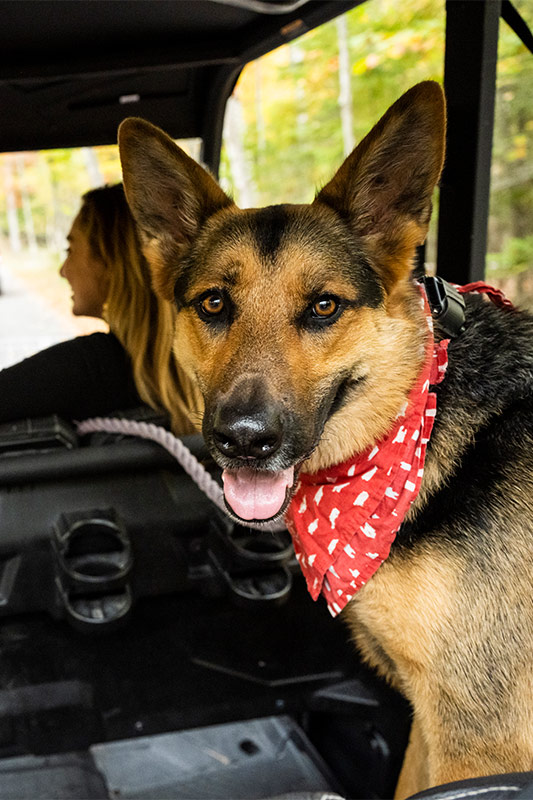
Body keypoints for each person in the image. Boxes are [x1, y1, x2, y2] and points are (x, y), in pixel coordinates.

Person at [0, 184, 201, 433]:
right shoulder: (203, 370)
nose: (63, 271)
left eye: (70, 250)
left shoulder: (88, 369)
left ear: (109, 261)